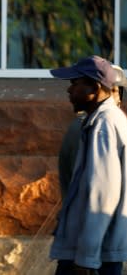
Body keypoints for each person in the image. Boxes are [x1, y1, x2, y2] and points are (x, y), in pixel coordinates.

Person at [49, 55, 127, 275]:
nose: (69, 90)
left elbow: (102, 195)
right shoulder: (100, 122)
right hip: (93, 254)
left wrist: (86, 259)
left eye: (75, 84)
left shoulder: (104, 126)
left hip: (92, 258)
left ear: (94, 87)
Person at [58, 64, 127, 200]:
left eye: (115, 92)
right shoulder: (94, 126)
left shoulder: (110, 123)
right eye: (110, 91)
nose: (112, 98)